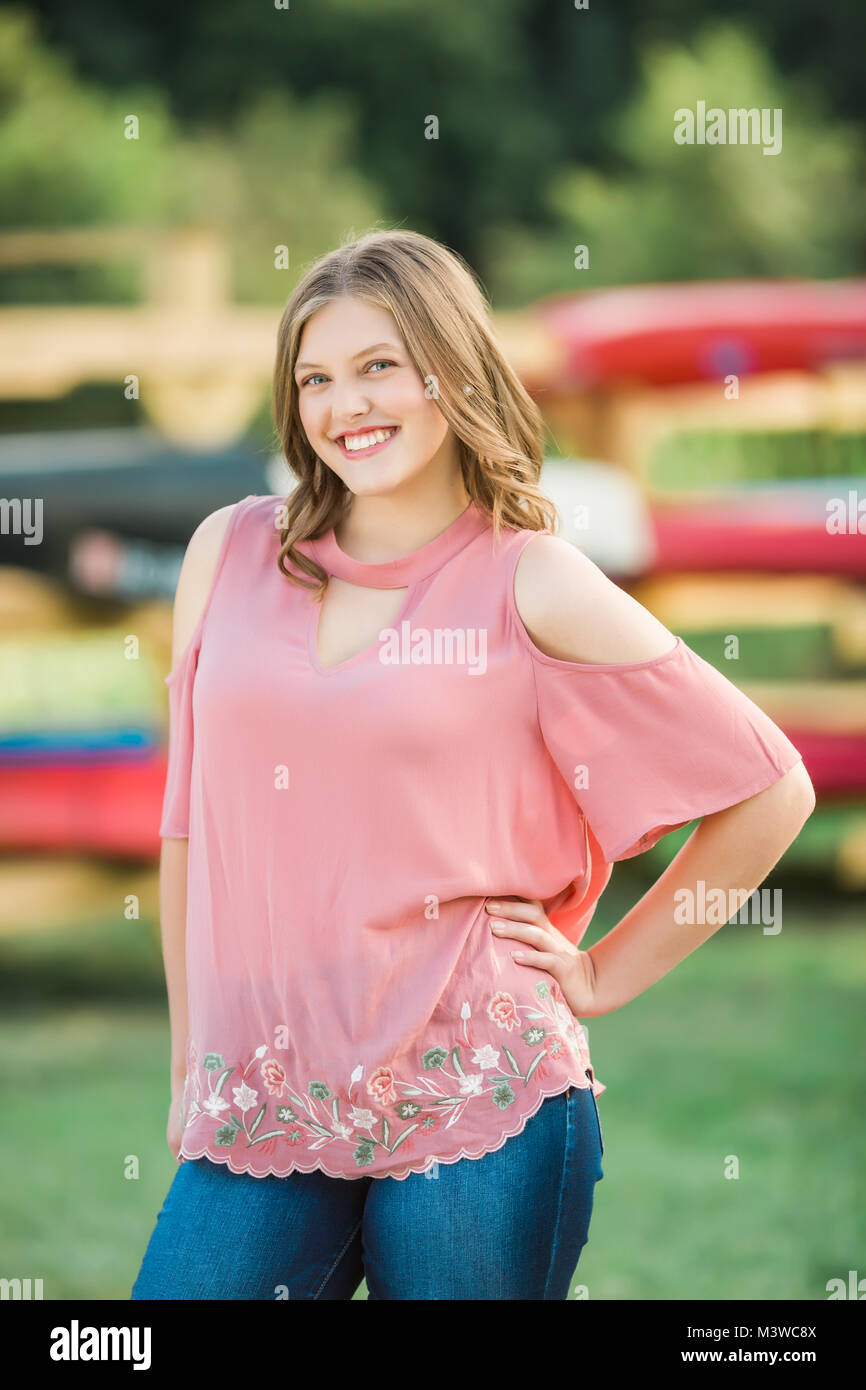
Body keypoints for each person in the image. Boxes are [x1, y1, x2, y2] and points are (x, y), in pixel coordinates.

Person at [130, 228, 815, 1301]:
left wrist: (603, 971)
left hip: (478, 1099)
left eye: (376, 368)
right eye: (315, 377)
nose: (342, 404)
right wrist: (191, 1064)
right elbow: (186, 831)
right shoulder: (229, 553)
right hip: (259, 1100)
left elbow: (769, 786)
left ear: (450, 370)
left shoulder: (529, 581)